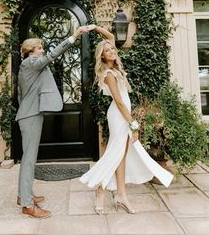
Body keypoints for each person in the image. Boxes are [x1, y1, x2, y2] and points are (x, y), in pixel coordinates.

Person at [79, 24, 174, 215]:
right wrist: (133, 123)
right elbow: (120, 103)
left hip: (122, 115)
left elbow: (111, 36)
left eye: (112, 49)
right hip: (119, 116)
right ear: (102, 56)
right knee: (115, 154)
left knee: (120, 156)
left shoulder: (115, 69)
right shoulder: (108, 75)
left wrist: (95, 27)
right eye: (107, 51)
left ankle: (121, 195)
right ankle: (101, 190)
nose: (112, 51)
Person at [15, 26, 88, 219]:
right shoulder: (31, 62)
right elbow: (52, 57)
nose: (42, 51)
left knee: (28, 158)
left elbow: (21, 95)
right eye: (40, 47)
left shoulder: (27, 66)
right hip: (30, 116)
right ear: (32, 50)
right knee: (29, 159)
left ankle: (24, 195)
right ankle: (27, 205)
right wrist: (74, 36)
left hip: (28, 114)